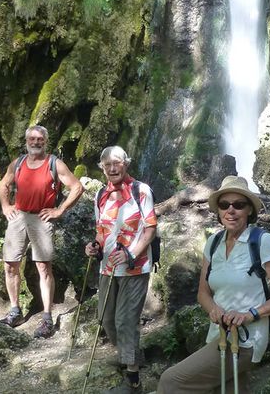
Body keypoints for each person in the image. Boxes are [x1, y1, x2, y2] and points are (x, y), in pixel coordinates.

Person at [157, 175, 270, 393]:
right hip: (218, 336)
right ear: (218, 211)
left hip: (247, 340)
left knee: (171, 381)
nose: (231, 210)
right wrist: (214, 310)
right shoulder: (213, 243)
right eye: (224, 205)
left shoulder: (263, 241)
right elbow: (203, 293)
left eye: (238, 205)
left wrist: (250, 314)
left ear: (249, 210)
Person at [0, 125, 83, 338]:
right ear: (26, 141)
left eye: (40, 140)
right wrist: (5, 206)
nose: (36, 143)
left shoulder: (55, 163)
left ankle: (46, 318)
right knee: (10, 265)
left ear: (46, 142)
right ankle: (15, 311)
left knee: (44, 268)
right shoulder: (17, 164)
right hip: (18, 216)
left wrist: (59, 210)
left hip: (41, 218)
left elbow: (77, 187)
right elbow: (4, 184)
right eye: (32, 139)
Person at [85, 145, 157, 394]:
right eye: (107, 165)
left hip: (135, 267)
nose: (112, 168)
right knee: (107, 319)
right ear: (102, 168)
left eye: (117, 163)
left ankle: (133, 379)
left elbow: (150, 229)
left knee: (126, 320)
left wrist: (131, 253)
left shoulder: (141, 191)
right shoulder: (101, 195)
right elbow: (101, 229)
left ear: (126, 164)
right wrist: (94, 245)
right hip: (107, 268)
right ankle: (131, 355)